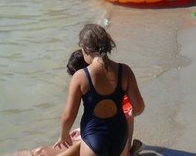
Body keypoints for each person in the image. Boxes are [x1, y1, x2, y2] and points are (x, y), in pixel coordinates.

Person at [55, 24, 144, 156]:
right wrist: (131, 114)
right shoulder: (124, 71)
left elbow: (68, 116)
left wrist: (63, 136)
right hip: (120, 135)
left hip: (93, 139)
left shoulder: (80, 76)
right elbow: (139, 107)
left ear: (85, 49)